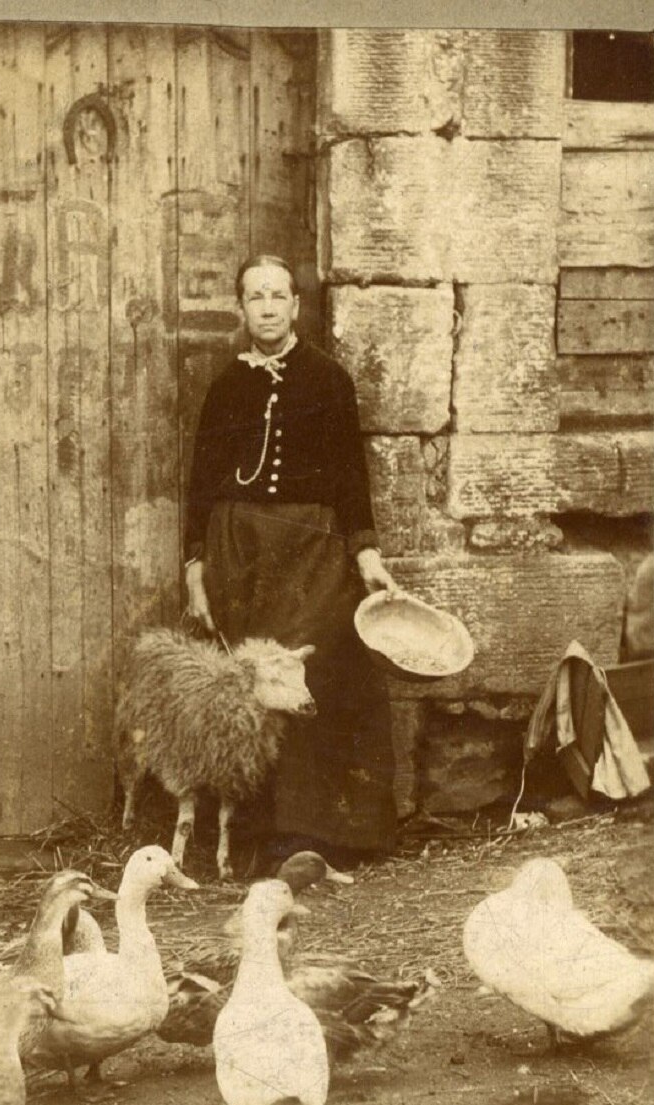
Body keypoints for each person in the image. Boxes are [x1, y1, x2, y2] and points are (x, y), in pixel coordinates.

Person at [183, 252, 403, 868]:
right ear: (240, 308)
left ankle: (321, 834)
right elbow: (201, 483)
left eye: (278, 295)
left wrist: (365, 552)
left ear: (296, 306)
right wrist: (196, 567)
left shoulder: (328, 379)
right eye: (256, 297)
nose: (268, 307)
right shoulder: (226, 386)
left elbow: (352, 475)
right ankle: (253, 837)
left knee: (316, 673)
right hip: (241, 553)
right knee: (251, 685)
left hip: (312, 550)